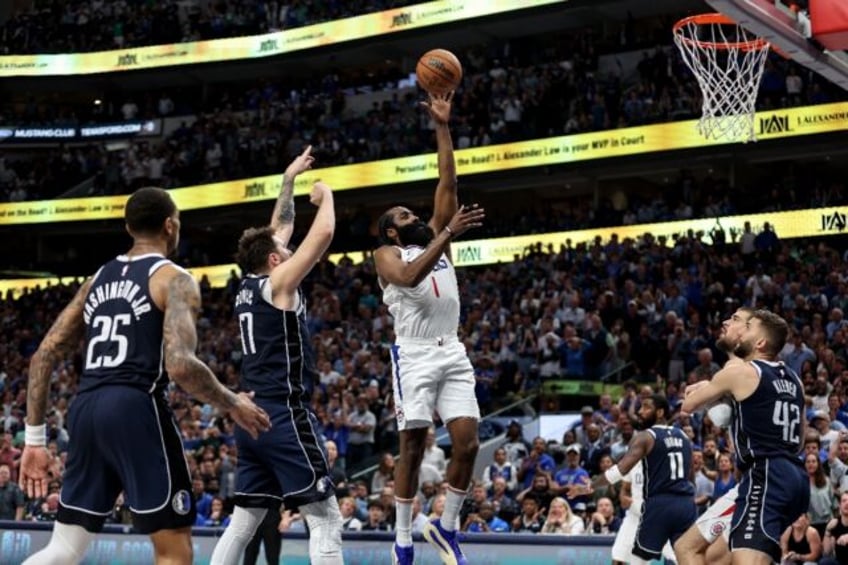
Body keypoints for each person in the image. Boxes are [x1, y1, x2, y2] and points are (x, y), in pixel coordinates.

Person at [18, 186, 271, 565]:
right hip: (136, 406)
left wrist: (34, 440)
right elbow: (181, 365)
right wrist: (232, 402)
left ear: (128, 226)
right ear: (171, 226)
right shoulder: (174, 278)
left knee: (64, 548)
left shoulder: (98, 278)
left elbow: (43, 356)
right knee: (173, 549)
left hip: (85, 407)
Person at [210, 147, 344, 565]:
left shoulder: (250, 284)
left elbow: (280, 226)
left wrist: (288, 179)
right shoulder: (279, 283)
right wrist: (326, 196)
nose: (287, 250)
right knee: (325, 517)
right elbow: (320, 238)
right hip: (284, 411)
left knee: (245, 520)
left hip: (251, 414)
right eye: (282, 251)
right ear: (274, 260)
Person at [374, 91, 486, 565]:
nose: (415, 216)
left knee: (469, 443)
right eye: (405, 217)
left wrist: (442, 125)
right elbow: (410, 276)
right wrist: (445, 235)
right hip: (414, 353)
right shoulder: (385, 255)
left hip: (451, 350)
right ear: (393, 233)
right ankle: (402, 539)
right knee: (413, 446)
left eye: (414, 213)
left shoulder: (436, 237)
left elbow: (447, 178)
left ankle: (445, 526)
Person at [681, 310, 808, 565]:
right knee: (707, 555)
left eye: (747, 326)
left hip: (766, 474)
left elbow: (688, 404)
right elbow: (801, 440)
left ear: (760, 342)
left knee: (743, 560)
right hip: (795, 476)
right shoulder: (795, 380)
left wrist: (710, 390)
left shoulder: (740, 371)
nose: (740, 329)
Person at [568, 394, 697, 564]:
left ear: (659, 412)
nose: (639, 411)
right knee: (684, 557)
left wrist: (589, 486)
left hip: (659, 507)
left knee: (644, 558)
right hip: (683, 504)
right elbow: (691, 473)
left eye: (646, 407)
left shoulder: (646, 436)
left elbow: (619, 471)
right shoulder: (683, 436)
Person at [673, 307, 754, 565]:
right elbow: (720, 417)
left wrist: (708, 391)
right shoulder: (741, 374)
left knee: (687, 549)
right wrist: (713, 392)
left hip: (759, 484)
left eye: (734, 320)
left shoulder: (746, 370)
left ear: (752, 334)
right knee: (712, 559)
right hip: (754, 481)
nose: (724, 321)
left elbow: (688, 404)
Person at [610, 460, 676, 564]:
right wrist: (623, 498)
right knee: (618, 557)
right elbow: (625, 489)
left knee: (678, 557)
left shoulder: (664, 462)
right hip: (634, 516)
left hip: (659, 518)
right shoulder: (632, 462)